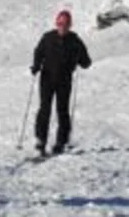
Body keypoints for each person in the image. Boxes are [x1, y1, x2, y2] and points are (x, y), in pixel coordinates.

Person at [30, 9, 91, 156]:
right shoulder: (47, 38)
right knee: (44, 109)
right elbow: (38, 52)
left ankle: (61, 141)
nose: (62, 26)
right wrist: (36, 66)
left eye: (65, 24)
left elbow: (86, 61)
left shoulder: (75, 41)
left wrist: (81, 61)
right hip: (47, 78)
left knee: (62, 111)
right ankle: (41, 139)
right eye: (60, 23)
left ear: (70, 25)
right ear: (56, 23)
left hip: (64, 80)